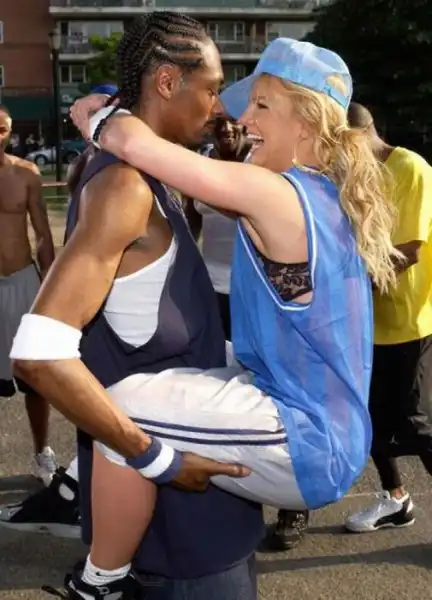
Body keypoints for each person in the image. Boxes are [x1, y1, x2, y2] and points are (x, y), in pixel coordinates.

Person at [22, 35, 399, 598]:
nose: (241, 118)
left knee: (118, 409)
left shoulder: (275, 193)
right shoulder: (318, 194)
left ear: (306, 123)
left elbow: (135, 142)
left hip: (305, 436)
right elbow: (199, 187)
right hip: (322, 423)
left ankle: (99, 583)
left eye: (262, 105)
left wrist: (96, 115)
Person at [9, 14, 265, 600]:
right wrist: (158, 460)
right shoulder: (124, 186)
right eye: (211, 89)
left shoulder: (150, 172)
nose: (218, 108)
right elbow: (38, 355)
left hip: (192, 512)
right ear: (168, 82)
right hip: (178, 528)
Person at [187, 118, 311, 550]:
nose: (225, 130)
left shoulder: (260, 167)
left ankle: (294, 504)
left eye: (232, 124)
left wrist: (202, 183)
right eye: (217, 125)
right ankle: (231, 488)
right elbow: (192, 224)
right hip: (210, 289)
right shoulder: (204, 164)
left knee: (273, 388)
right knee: (220, 388)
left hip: (256, 293)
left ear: (242, 129)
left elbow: (244, 210)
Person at [345, 102, 432, 533]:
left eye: (343, 145)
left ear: (363, 134)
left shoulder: (411, 168)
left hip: (410, 321)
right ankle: (396, 500)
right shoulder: (356, 176)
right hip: (369, 322)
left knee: (417, 426)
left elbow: (409, 251)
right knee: (371, 420)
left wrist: (349, 284)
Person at [0, 105, 56, 486]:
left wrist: (51, 289)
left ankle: (42, 451)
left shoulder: (26, 174)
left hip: (22, 282)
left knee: (35, 377)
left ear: (9, 132)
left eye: (2, 128)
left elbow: (43, 235)